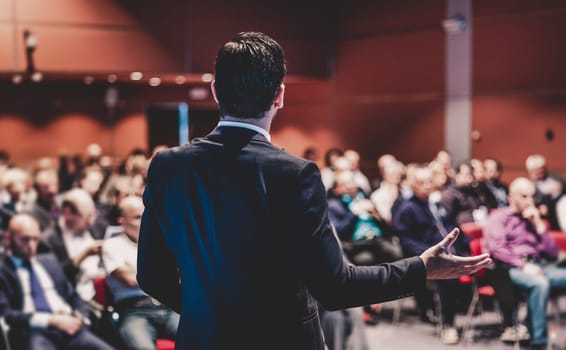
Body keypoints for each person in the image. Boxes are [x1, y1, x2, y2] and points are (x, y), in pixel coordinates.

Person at [137, 31, 491, 350]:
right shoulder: (295, 174)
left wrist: (208, 314)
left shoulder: (168, 166)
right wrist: (420, 268)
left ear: (215, 91)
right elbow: (334, 287)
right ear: (280, 96)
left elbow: (152, 276)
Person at [0, 214, 114, 349]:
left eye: (35, 239)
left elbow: (73, 296)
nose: (31, 246)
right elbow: (7, 314)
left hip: (71, 328)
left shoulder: (49, 262)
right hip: (35, 332)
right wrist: (51, 321)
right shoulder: (4, 271)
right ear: (8, 238)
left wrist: (81, 318)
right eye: (25, 240)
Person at [483, 177, 566, 349]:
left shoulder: (532, 220)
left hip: (538, 266)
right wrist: (523, 265)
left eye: (532, 196)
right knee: (540, 284)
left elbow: (552, 255)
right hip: (511, 268)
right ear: (511, 197)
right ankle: (539, 343)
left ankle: (532, 325)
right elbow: (496, 249)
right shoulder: (499, 217)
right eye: (524, 196)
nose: (530, 201)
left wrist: (538, 225)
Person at [392, 165, 471, 344]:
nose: (427, 186)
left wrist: (465, 246)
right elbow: (406, 241)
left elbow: (452, 228)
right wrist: (430, 254)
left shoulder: (436, 204)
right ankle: (447, 325)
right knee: (448, 276)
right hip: (424, 257)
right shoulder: (407, 208)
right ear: (412, 185)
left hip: (449, 253)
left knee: (489, 265)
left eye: (429, 182)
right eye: (422, 183)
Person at [101, 196, 179, 349]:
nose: (143, 222)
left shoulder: (159, 242)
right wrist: (160, 270)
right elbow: (130, 279)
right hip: (134, 311)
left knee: (202, 337)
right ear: (121, 221)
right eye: (137, 217)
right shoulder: (112, 245)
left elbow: (176, 275)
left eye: (145, 216)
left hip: (168, 306)